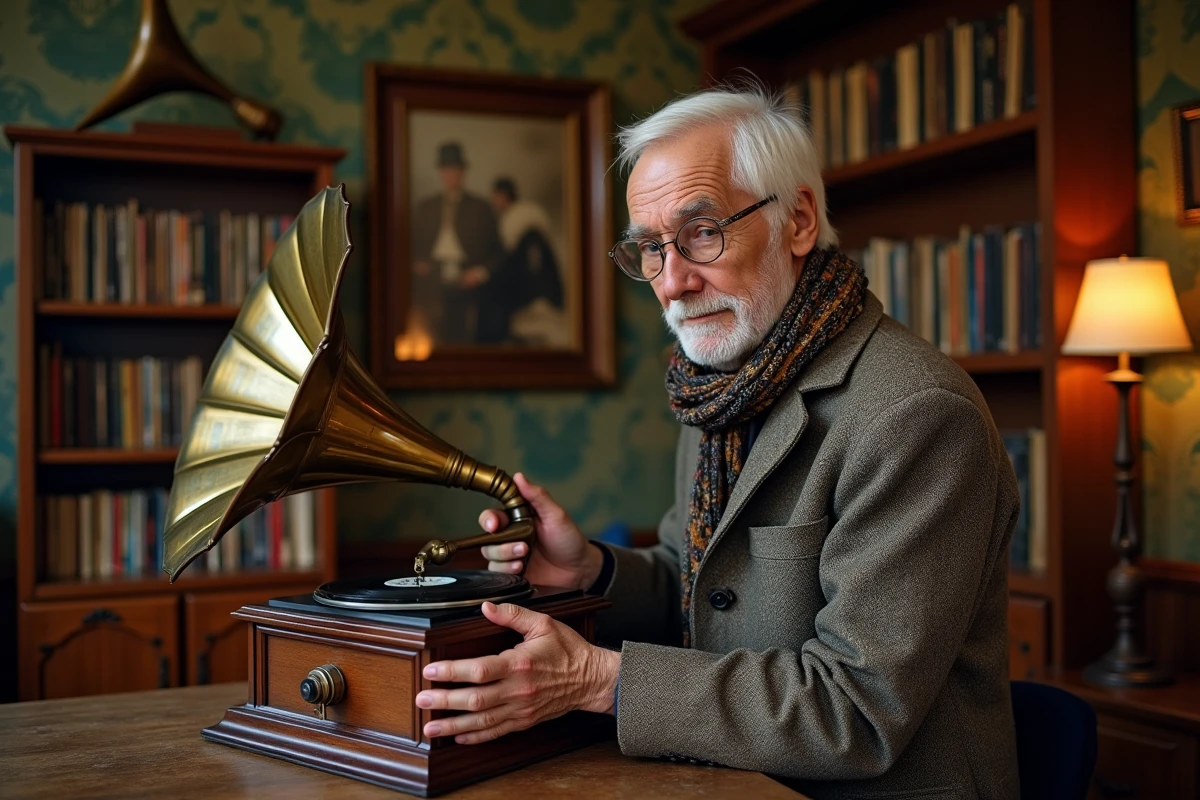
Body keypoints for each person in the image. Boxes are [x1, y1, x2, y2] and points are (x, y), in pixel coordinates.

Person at [411, 84, 1021, 799]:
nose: (672, 282)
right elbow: (706, 588)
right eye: (649, 248)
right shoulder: (724, 384)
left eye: (703, 232)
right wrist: (592, 574)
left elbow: (856, 709)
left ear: (797, 221)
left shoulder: (916, 413)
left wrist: (596, 680)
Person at [410, 141, 505, 344]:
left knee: (466, 332)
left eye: (455, 169)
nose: (451, 175)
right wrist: (418, 263)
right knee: (427, 331)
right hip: (431, 279)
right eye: (447, 170)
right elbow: (410, 245)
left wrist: (479, 274)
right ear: (441, 173)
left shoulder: (480, 208)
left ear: (463, 172)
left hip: (468, 280)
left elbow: (498, 252)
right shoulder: (426, 207)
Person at [480, 176, 568, 346]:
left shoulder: (527, 229)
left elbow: (532, 265)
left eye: (496, 197)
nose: (494, 201)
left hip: (535, 293)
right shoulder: (511, 222)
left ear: (503, 196)